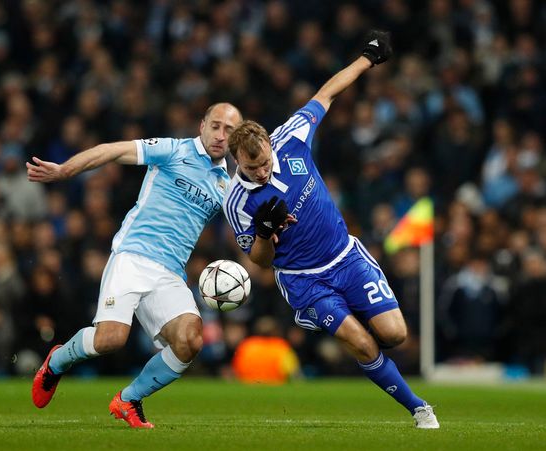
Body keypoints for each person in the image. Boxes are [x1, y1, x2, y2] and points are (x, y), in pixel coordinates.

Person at [222, 31, 439, 429]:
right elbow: (257, 259)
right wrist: (266, 232)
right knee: (361, 342)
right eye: (252, 168)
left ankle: (355, 310)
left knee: (395, 334)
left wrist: (366, 60)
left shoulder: (289, 138)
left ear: (269, 144)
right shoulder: (236, 201)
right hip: (304, 280)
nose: (263, 171)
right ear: (237, 161)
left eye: (265, 162)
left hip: (345, 256)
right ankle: (419, 407)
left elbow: (326, 95)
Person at [27, 102, 242, 428]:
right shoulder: (173, 150)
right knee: (110, 339)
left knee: (191, 340)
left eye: (228, 130)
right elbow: (112, 151)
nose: (220, 135)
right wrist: (64, 171)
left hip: (170, 272)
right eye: (215, 126)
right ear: (202, 125)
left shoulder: (227, 185)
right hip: (133, 256)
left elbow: (251, 230)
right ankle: (56, 362)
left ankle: (128, 400)